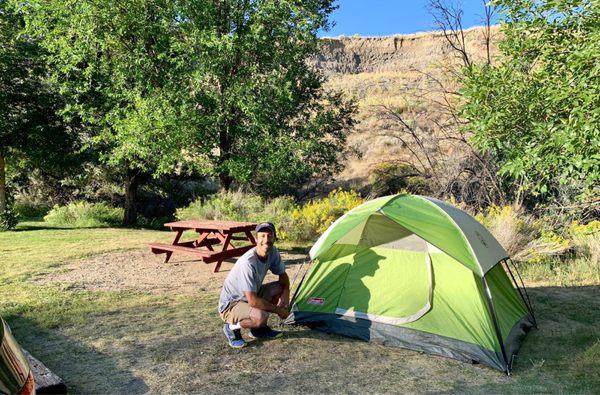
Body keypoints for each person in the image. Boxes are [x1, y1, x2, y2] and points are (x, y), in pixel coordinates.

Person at [218, 222, 290, 348]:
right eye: (262, 236)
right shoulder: (248, 263)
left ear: (274, 237)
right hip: (231, 304)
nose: (266, 240)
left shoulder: (273, 252)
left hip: (251, 295)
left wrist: (285, 294)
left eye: (269, 235)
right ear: (256, 239)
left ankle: (258, 330)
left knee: (279, 288)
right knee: (260, 317)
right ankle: (231, 328)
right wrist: (279, 310)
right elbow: (252, 301)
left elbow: (283, 275)